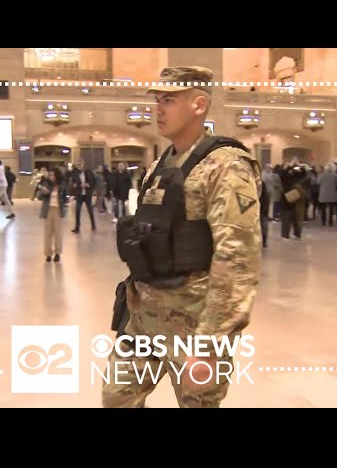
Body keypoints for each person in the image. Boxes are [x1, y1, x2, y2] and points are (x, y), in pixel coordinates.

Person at [102, 66, 262, 408]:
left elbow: (237, 261)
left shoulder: (227, 167)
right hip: (144, 317)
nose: (158, 108)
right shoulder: (161, 163)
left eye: (169, 100)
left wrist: (209, 346)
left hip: (193, 323)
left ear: (199, 105)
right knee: (116, 397)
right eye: (157, 100)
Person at [36, 168, 69, 262]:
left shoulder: (62, 185)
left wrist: (67, 200)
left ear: (57, 176)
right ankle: (48, 254)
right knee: (47, 233)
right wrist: (43, 191)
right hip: (48, 209)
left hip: (58, 210)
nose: (51, 177)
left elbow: (66, 196)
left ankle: (58, 253)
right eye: (50, 175)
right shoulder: (46, 184)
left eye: (53, 175)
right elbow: (39, 197)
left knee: (58, 233)